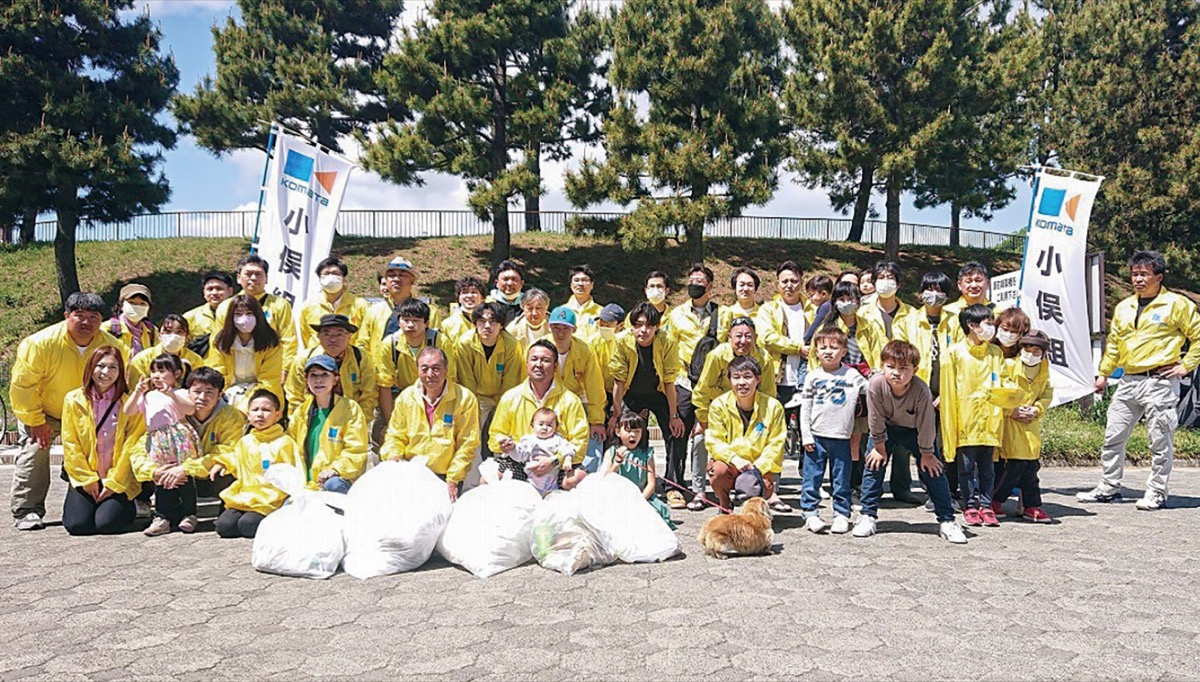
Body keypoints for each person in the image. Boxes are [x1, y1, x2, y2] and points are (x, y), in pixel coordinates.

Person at [1079, 250, 1200, 510]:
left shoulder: (1177, 304)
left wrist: (1186, 365)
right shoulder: (1124, 307)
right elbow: (1114, 345)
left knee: (1159, 438)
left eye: (1144, 274)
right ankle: (1109, 487)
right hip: (1128, 381)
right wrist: (1104, 374)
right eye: (1134, 274)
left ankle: (1157, 491)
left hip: (1160, 380)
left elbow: (1198, 335)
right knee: (1113, 435)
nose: (1138, 279)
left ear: (1159, 276)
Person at [10, 292, 123, 530]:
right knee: (35, 447)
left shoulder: (111, 346)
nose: (86, 323)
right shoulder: (40, 343)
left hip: (90, 410)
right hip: (45, 410)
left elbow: (124, 382)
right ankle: (27, 509)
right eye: (79, 316)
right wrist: (35, 420)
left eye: (93, 317)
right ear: (66, 316)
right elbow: (23, 386)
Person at [858, 340, 966, 543]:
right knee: (873, 464)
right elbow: (875, 417)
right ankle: (867, 515)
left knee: (934, 470)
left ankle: (947, 520)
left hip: (916, 432)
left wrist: (927, 453)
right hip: (886, 429)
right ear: (882, 366)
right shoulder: (875, 384)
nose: (896, 373)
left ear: (915, 370)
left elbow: (927, 424)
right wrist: (879, 447)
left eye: (903, 368)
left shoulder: (921, 390)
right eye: (890, 367)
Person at [693, 315, 781, 510]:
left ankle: (770, 495)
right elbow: (702, 390)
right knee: (702, 441)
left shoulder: (764, 358)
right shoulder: (717, 355)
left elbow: (769, 393)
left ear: (756, 338)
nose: (743, 341)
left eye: (748, 336)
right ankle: (703, 493)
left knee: (769, 448)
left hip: (755, 414)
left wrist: (758, 465)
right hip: (721, 411)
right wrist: (703, 420)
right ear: (729, 337)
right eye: (738, 336)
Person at [60, 346, 144, 536]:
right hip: (87, 476)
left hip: (118, 478)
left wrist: (114, 482)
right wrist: (87, 480)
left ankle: (128, 507)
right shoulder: (73, 400)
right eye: (101, 366)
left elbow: (132, 445)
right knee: (77, 525)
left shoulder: (129, 403)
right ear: (91, 367)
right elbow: (70, 442)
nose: (106, 372)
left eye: (113, 367)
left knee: (106, 524)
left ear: (120, 371)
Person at [858, 261, 922, 505]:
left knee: (904, 434)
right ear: (873, 283)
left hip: (903, 381)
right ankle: (869, 490)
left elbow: (919, 348)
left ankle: (902, 487)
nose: (886, 282)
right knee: (872, 433)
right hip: (873, 380)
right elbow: (858, 345)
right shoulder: (863, 313)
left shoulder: (912, 315)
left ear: (899, 284)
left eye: (891, 278)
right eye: (881, 277)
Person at [381, 347, 480, 501]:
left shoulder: (465, 398)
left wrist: (453, 478)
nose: (430, 374)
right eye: (424, 369)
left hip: (445, 476)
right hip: (411, 473)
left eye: (436, 368)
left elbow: (467, 443)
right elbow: (395, 435)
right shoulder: (406, 397)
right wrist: (393, 458)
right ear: (417, 370)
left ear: (446, 369)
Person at [489, 340, 589, 490]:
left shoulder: (570, 400)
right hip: (520, 462)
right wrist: (505, 444)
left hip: (557, 463)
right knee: (487, 479)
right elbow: (495, 435)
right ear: (527, 363)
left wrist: (554, 461)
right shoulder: (511, 397)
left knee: (580, 477)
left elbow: (580, 442)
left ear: (555, 366)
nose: (538, 364)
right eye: (534, 359)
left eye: (546, 360)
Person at [607, 302, 685, 494]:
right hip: (632, 393)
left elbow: (669, 381)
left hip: (659, 392)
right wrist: (616, 414)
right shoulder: (622, 341)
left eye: (649, 325)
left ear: (657, 327)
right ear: (631, 326)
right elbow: (619, 380)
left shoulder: (667, 341)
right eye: (639, 324)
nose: (644, 330)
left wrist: (674, 416)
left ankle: (673, 486)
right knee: (626, 432)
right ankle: (631, 481)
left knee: (675, 434)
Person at [895, 271, 957, 500]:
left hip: (947, 391)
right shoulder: (907, 321)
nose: (934, 295)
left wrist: (948, 394)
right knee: (919, 442)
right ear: (920, 294)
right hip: (915, 390)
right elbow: (901, 357)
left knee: (943, 443)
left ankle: (942, 492)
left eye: (940, 290)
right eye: (929, 289)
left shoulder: (955, 321)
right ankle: (922, 488)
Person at [940, 304, 1004, 527]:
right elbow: (948, 391)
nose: (992, 327)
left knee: (988, 470)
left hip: (990, 419)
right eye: (987, 323)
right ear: (972, 325)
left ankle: (986, 506)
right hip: (965, 421)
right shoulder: (954, 352)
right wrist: (951, 423)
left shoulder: (995, 353)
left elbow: (1002, 383)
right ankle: (969, 505)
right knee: (965, 469)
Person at [799, 327, 867, 534]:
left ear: (844, 351)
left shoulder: (852, 375)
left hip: (842, 437)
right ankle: (810, 513)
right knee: (812, 477)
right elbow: (805, 408)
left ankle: (841, 513)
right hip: (816, 437)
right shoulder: (813, 376)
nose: (828, 352)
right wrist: (806, 435)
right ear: (816, 352)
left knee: (841, 479)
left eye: (834, 347)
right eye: (823, 348)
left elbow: (871, 390)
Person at [209, 389, 302, 538]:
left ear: (277, 415)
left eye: (266, 410)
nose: (260, 414)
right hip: (245, 494)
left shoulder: (284, 442)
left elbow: (293, 472)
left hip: (270, 498)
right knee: (224, 527)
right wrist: (223, 463)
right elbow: (236, 459)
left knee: (248, 526)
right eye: (255, 410)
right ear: (248, 414)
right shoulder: (245, 441)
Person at [124, 354, 200, 536]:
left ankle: (189, 514)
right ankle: (162, 516)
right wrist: (137, 392)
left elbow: (190, 409)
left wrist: (171, 393)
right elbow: (128, 411)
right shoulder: (148, 395)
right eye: (153, 371)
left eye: (162, 371)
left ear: (177, 374)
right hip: (157, 439)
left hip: (179, 436)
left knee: (184, 477)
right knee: (162, 477)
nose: (156, 375)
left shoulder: (180, 392)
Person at [666, 264, 720, 509]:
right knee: (679, 434)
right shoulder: (676, 314)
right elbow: (669, 348)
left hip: (713, 384)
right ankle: (675, 486)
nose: (694, 284)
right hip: (684, 381)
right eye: (691, 280)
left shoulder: (722, 313)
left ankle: (716, 486)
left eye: (700, 281)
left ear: (709, 286)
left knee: (711, 435)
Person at [704, 356, 786, 512]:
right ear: (730, 380)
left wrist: (756, 469)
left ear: (758, 379)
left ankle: (754, 510)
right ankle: (725, 506)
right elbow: (714, 441)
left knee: (749, 484)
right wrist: (734, 459)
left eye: (748, 377)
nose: (742, 382)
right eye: (736, 377)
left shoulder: (773, 406)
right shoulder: (718, 405)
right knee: (718, 472)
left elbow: (776, 443)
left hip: (758, 466)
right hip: (730, 463)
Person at [993, 330, 1054, 523]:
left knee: (1031, 467)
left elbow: (1046, 394)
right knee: (1013, 465)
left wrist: (1037, 409)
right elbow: (999, 391)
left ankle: (1032, 505)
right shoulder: (1009, 365)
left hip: (1031, 424)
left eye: (1037, 350)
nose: (1032, 354)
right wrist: (1011, 410)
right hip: (1011, 422)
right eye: (1028, 348)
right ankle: (995, 500)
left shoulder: (1044, 369)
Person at [287, 354, 370, 493]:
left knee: (333, 485)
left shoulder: (350, 408)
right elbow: (292, 448)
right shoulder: (301, 412)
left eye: (325, 375)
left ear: (335, 379)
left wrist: (335, 469)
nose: (318, 380)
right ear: (306, 380)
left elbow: (356, 449)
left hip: (336, 478)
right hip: (307, 482)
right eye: (313, 375)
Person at [457, 302, 527, 459]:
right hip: (477, 397)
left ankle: (501, 472)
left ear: (501, 325)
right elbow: (467, 379)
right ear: (475, 323)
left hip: (503, 396)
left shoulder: (511, 344)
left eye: (493, 321)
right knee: (471, 432)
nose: (487, 326)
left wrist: (501, 410)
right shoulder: (465, 343)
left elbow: (510, 380)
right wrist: (473, 411)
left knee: (504, 432)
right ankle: (471, 480)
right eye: (482, 321)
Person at [375, 299, 457, 428]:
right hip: (402, 395)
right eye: (406, 320)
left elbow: (449, 378)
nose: (410, 325)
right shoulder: (390, 344)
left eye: (416, 321)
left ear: (427, 323)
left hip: (436, 394)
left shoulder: (440, 341)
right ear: (399, 322)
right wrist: (391, 423)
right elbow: (385, 385)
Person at [213, 254, 297, 371]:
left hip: (269, 369)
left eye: (258, 274)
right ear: (238, 278)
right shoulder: (226, 306)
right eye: (248, 274)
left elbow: (288, 340)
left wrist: (284, 369)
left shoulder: (280, 305)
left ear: (266, 278)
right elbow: (218, 342)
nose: (253, 278)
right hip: (234, 369)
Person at [284, 314, 377, 416]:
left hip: (350, 416)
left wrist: (359, 422)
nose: (333, 339)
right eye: (327, 334)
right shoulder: (304, 359)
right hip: (315, 417)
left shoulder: (361, 358)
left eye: (339, 334)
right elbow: (294, 396)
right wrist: (303, 423)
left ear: (349, 336)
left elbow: (369, 395)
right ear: (318, 336)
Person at [206, 294, 283, 411]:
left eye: (249, 314)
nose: (244, 319)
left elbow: (270, 379)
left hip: (260, 393)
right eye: (238, 314)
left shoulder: (271, 342)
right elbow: (217, 372)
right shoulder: (220, 341)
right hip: (228, 392)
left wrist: (248, 400)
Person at [358, 256, 443, 361]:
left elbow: (437, 343)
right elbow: (362, 343)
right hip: (381, 373)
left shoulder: (430, 311)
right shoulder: (373, 311)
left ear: (412, 280)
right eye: (391, 275)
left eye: (402, 275)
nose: (396, 279)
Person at [180, 367, 245, 502]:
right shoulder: (176, 412)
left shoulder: (231, 416)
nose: (202, 397)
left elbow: (228, 449)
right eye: (197, 392)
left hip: (209, 473)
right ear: (188, 392)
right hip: (182, 475)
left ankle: (226, 511)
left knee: (225, 466)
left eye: (209, 392)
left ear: (220, 395)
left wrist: (187, 468)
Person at [601, 410, 675, 529]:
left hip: (642, 496)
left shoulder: (647, 453)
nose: (633, 435)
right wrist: (616, 463)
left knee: (654, 516)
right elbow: (605, 479)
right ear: (618, 432)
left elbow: (651, 483)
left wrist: (639, 500)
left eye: (637, 431)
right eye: (628, 431)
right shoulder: (612, 452)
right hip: (618, 498)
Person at [546, 306, 607, 447]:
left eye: (565, 328)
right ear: (549, 327)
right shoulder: (538, 348)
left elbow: (595, 388)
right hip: (547, 398)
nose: (560, 333)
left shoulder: (585, 351)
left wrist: (596, 421)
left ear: (574, 330)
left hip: (578, 398)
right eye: (556, 328)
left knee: (593, 439)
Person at [757, 262, 809, 417]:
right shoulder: (767, 309)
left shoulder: (812, 309)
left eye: (794, 281)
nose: (789, 285)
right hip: (775, 381)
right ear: (777, 284)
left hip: (807, 381)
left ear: (801, 282)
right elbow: (767, 338)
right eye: (784, 281)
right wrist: (798, 348)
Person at [295, 257, 369, 354]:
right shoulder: (309, 306)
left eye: (335, 274)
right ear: (320, 279)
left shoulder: (361, 305)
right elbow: (306, 336)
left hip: (352, 360)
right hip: (318, 361)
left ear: (344, 278)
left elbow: (365, 336)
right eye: (326, 273)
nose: (331, 277)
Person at [511, 407, 576, 496]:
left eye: (549, 425)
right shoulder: (529, 440)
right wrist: (512, 449)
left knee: (553, 498)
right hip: (532, 482)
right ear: (532, 425)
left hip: (552, 483)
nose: (545, 428)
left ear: (556, 427)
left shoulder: (557, 439)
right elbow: (519, 455)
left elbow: (568, 448)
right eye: (541, 424)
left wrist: (568, 459)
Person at [127, 314, 206, 387]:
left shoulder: (195, 360)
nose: (173, 336)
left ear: (187, 336)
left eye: (179, 332)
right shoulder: (142, 359)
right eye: (168, 331)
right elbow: (133, 389)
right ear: (159, 334)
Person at [183, 271, 234, 356]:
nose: (214, 293)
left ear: (230, 291)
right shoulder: (190, 317)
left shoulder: (239, 315)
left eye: (219, 289)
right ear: (204, 292)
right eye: (210, 289)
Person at [942, 262, 992, 347]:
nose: (974, 285)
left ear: (987, 283)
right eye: (968, 281)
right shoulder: (946, 313)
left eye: (978, 280)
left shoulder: (997, 311)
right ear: (959, 285)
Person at [589, 303, 626, 407]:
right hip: (599, 389)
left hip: (625, 391)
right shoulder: (593, 340)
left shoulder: (627, 341)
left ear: (621, 325)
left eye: (608, 323)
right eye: (602, 322)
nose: (604, 325)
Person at [108, 283, 158, 357]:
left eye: (142, 304)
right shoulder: (108, 328)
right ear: (121, 305)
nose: (137, 307)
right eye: (132, 302)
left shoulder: (152, 331)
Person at [440, 276, 486, 347]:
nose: (469, 295)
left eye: (474, 292)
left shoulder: (489, 322)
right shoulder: (447, 325)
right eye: (465, 292)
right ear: (459, 298)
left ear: (482, 298)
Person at [718, 267, 761, 341]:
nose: (745, 289)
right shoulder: (727, 313)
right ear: (734, 288)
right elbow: (720, 340)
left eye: (750, 285)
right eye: (742, 285)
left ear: (755, 289)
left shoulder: (764, 313)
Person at [565, 264, 603, 337]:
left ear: (592, 285)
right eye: (576, 280)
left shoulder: (601, 312)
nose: (580, 284)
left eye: (585, 280)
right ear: (570, 285)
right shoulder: (562, 311)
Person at [487, 259, 526, 324]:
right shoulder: (487, 303)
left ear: (522, 283)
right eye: (505, 279)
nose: (510, 283)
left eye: (514, 279)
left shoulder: (528, 304)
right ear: (496, 282)